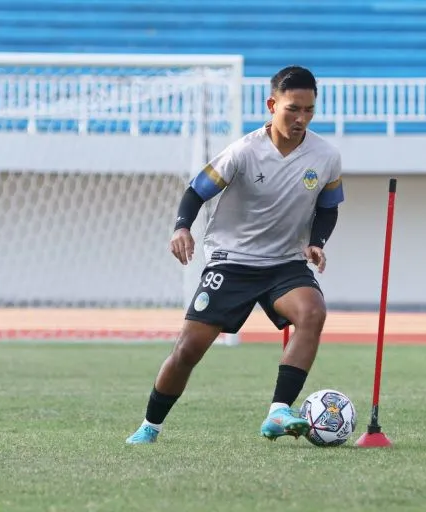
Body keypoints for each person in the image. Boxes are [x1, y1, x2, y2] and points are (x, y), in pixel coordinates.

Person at [126, 65, 344, 444]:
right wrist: (182, 227)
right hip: (232, 261)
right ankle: (150, 425)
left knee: (312, 312)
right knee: (188, 350)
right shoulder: (244, 150)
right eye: (293, 108)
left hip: (285, 263)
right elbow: (196, 191)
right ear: (272, 104)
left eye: (309, 110)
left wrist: (317, 243)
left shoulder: (325, 156)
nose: (301, 118)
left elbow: (328, 206)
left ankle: (278, 410)